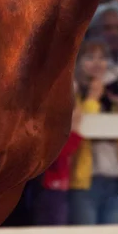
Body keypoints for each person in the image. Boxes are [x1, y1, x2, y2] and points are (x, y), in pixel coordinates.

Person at [69, 39, 118, 225]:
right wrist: (92, 98)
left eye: (102, 58)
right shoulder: (72, 92)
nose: (97, 63)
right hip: (85, 180)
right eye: (90, 58)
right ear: (78, 62)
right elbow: (80, 132)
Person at [33, 91, 83, 226]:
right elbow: (57, 153)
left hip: (58, 187)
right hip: (48, 188)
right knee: (53, 227)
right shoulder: (48, 128)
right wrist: (76, 132)